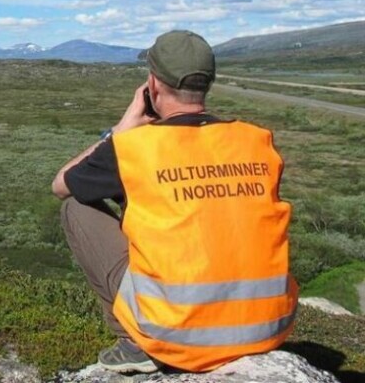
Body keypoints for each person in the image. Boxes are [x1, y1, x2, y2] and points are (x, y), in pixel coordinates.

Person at [51, 30, 298, 374]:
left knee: (75, 208)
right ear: (207, 84)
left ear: (151, 85)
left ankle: (134, 343)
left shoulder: (133, 148)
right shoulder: (257, 141)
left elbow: (61, 185)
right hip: (270, 326)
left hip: (175, 334)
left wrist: (120, 130)